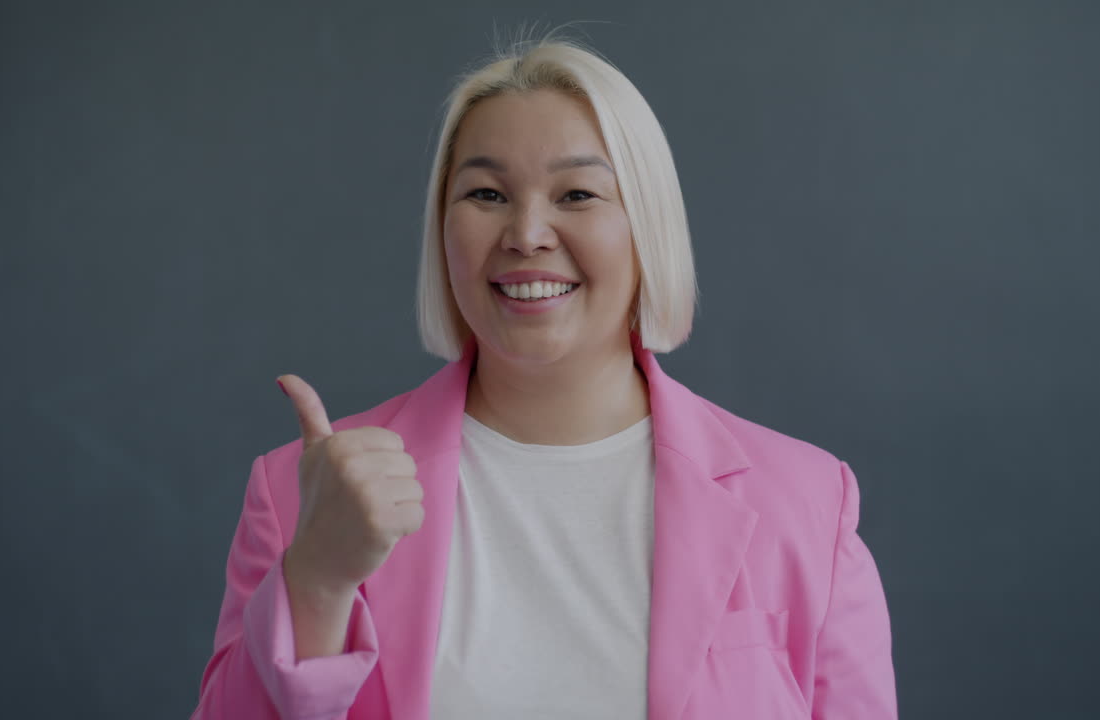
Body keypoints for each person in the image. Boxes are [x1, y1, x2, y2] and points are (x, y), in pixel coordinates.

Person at [191, 34, 896, 720]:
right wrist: (316, 581)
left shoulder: (807, 502)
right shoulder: (302, 495)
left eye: (578, 194)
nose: (527, 233)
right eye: (486, 194)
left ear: (647, 226)